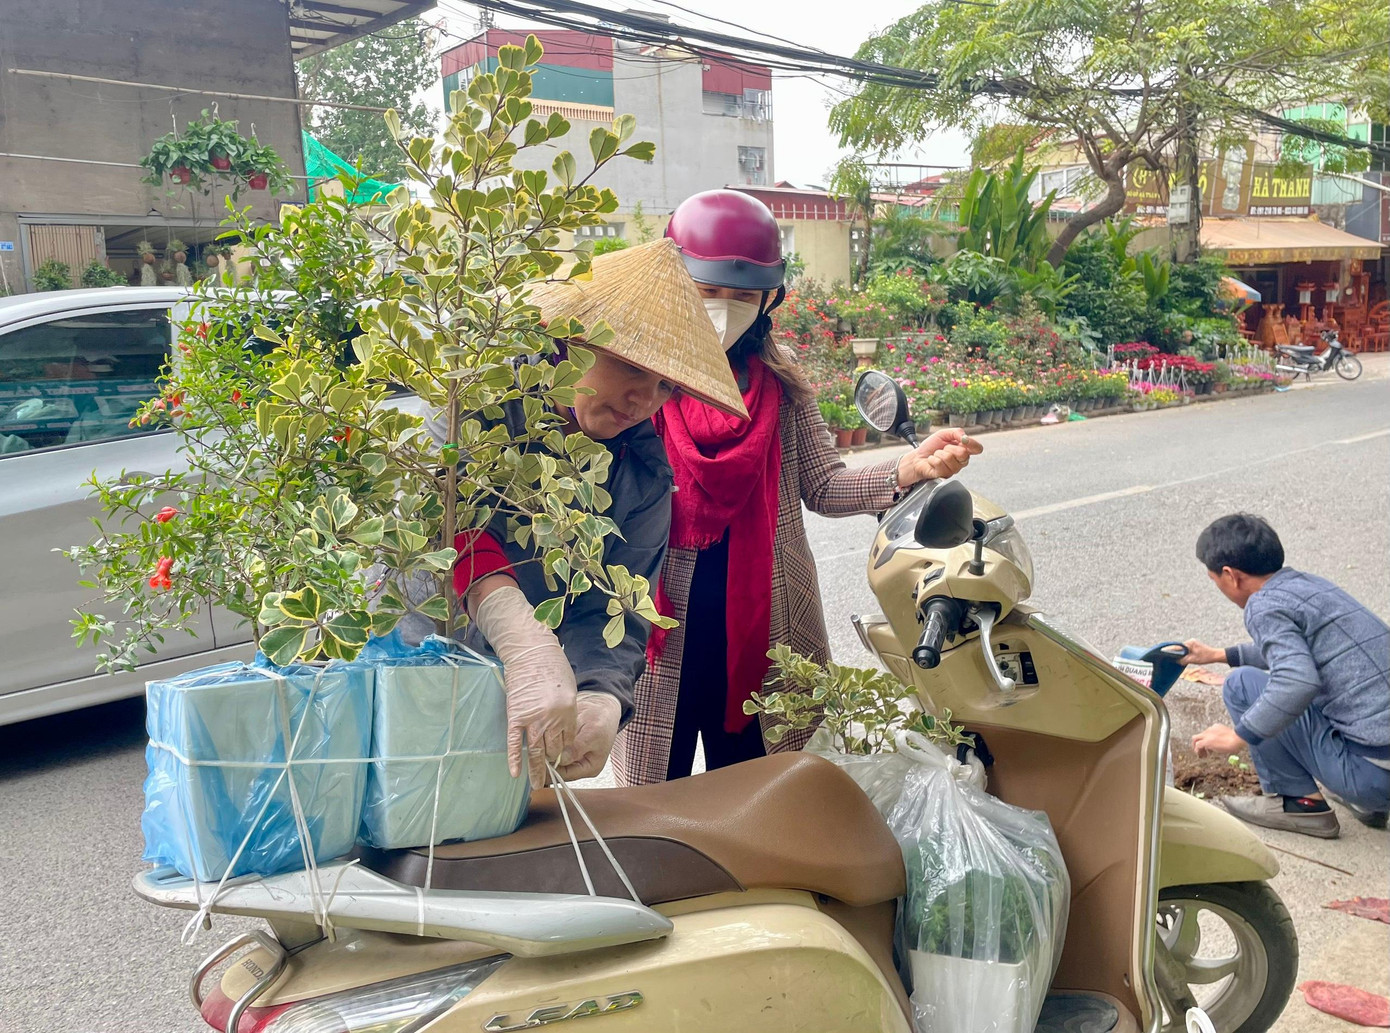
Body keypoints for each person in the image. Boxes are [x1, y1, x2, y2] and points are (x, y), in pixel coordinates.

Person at [611, 189, 983, 786]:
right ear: (676, 286)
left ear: (768, 298)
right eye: (707, 291)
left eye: (743, 296)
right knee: (653, 799)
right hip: (657, 620)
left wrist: (910, 469)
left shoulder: (780, 381)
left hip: (764, 622)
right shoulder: (639, 375)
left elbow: (824, 485)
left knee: (761, 790)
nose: (725, 309)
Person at [416, 238, 744, 788]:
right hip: (412, 660)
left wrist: (600, 695)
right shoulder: (478, 394)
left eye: (664, 385)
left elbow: (618, 606)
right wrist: (520, 635)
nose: (644, 399)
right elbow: (445, 517)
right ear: (569, 341)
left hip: (518, 708)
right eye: (630, 367)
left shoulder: (643, 473)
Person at [1183, 513, 1390, 838]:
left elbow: (1297, 680)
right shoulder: (1307, 584)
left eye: (1214, 579)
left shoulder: (1262, 605)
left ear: (1231, 576)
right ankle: (1367, 805)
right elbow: (1298, 653)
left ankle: (1296, 804)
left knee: (1241, 685)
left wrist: (1238, 737)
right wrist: (1218, 655)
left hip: (1374, 777)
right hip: (1380, 759)